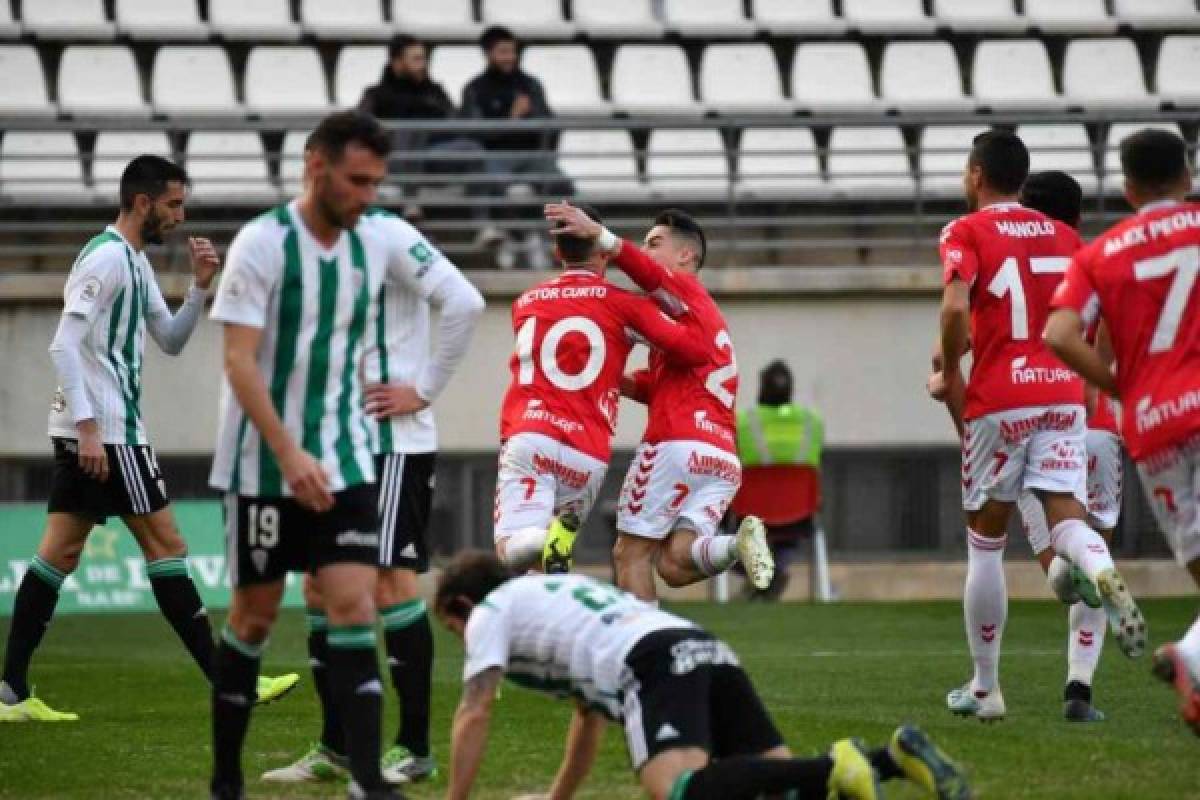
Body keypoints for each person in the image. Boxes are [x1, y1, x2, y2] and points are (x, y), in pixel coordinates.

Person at [0, 155, 297, 723]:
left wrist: (199, 289)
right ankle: (233, 684)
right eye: (173, 204)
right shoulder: (108, 258)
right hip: (109, 432)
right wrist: (90, 430)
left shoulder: (133, 261)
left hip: (94, 428)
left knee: (58, 553)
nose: (179, 216)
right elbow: (63, 344)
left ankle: (10, 692)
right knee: (167, 546)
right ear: (143, 203)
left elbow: (170, 339)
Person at [206, 111, 423, 800]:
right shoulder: (262, 244)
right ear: (316, 167)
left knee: (355, 606)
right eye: (356, 180)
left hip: (347, 458)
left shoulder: (372, 248)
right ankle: (226, 779)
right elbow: (239, 363)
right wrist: (288, 451)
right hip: (263, 465)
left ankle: (366, 779)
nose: (366, 195)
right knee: (254, 617)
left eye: (376, 183)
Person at [434, 549, 971, 800]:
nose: (463, 640)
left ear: (462, 605)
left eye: (450, 627)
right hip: (702, 646)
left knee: (676, 789)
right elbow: (589, 717)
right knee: (775, 788)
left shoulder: (491, 611)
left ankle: (836, 765)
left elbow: (474, 708)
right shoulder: (546, 598)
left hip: (651, 661)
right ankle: (891, 758)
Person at [927, 129, 1144, 723]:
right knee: (1067, 514)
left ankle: (986, 689)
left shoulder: (966, 230)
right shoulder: (1069, 238)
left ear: (976, 176)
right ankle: (1101, 573)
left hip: (1002, 395)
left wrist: (950, 368)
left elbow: (953, 307)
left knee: (986, 543)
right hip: (1067, 399)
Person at [263, 208, 485, 784]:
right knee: (318, 587)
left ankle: (413, 747)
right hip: (332, 444)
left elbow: (465, 301)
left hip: (391, 444)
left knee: (389, 583)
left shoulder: (389, 234)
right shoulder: (306, 242)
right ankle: (335, 748)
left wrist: (425, 388)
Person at [1044, 128, 1200, 737]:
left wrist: (1119, 388)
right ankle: (1190, 657)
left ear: (1129, 189)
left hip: (1153, 428)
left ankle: (1191, 660)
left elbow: (1059, 335)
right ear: (1187, 178)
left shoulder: (1101, 254)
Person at [542, 202, 774, 603]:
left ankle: (644, 652)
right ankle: (736, 546)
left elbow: (646, 272)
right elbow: (659, 385)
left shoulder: (682, 287)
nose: (645, 252)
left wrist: (603, 237)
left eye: (654, 243)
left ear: (686, 255)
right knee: (673, 564)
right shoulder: (704, 317)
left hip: (675, 443)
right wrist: (603, 375)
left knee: (629, 553)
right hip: (720, 456)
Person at [492, 205, 710, 575]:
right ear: (603, 252)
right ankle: (552, 548)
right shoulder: (627, 305)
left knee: (512, 550)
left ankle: (540, 537)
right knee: (546, 570)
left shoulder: (525, 303)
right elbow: (694, 350)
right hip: (587, 454)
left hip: (531, 436)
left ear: (558, 252)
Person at [1011, 169, 1122, 723]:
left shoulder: (1003, 257)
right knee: (1091, 546)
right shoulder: (1091, 259)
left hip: (1027, 423)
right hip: (1094, 424)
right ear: (1077, 217)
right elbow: (1104, 347)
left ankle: (1064, 570)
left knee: (1063, 563)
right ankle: (1079, 691)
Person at [358, 34, 503, 248]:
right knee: (407, 131)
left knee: (471, 148)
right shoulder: (376, 94)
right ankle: (411, 201)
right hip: (392, 160)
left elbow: (455, 127)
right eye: (416, 59)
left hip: (434, 155)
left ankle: (484, 226)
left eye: (424, 59)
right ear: (397, 62)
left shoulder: (435, 92)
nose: (422, 65)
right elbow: (363, 127)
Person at [462, 25, 574, 269]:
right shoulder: (475, 88)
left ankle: (552, 240)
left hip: (532, 153)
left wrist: (530, 119)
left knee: (560, 183)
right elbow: (475, 134)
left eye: (512, 51)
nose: (509, 57)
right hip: (494, 156)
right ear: (488, 53)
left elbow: (547, 123)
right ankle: (510, 239)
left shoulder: (530, 85)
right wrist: (511, 120)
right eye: (503, 52)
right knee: (491, 182)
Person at [734, 359, 825, 601]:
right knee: (789, 534)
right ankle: (778, 568)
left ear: (761, 388)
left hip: (749, 514)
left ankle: (762, 575)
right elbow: (816, 464)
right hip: (799, 515)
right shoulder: (812, 421)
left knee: (717, 528)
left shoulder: (743, 421)